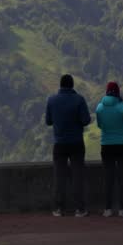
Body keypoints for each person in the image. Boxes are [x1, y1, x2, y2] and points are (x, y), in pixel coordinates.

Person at [45, 73, 91, 217]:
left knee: (59, 177)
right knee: (77, 176)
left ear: (60, 85)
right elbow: (86, 120)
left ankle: (58, 208)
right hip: (76, 143)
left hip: (59, 144)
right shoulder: (79, 99)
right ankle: (80, 209)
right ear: (72, 85)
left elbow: (48, 121)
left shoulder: (51, 100)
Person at [96, 80, 123, 218]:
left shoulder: (99, 107)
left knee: (108, 178)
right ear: (118, 92)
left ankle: (107, 209)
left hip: (106, 145)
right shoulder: (122, 107)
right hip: (122, 145)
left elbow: (100, 125)